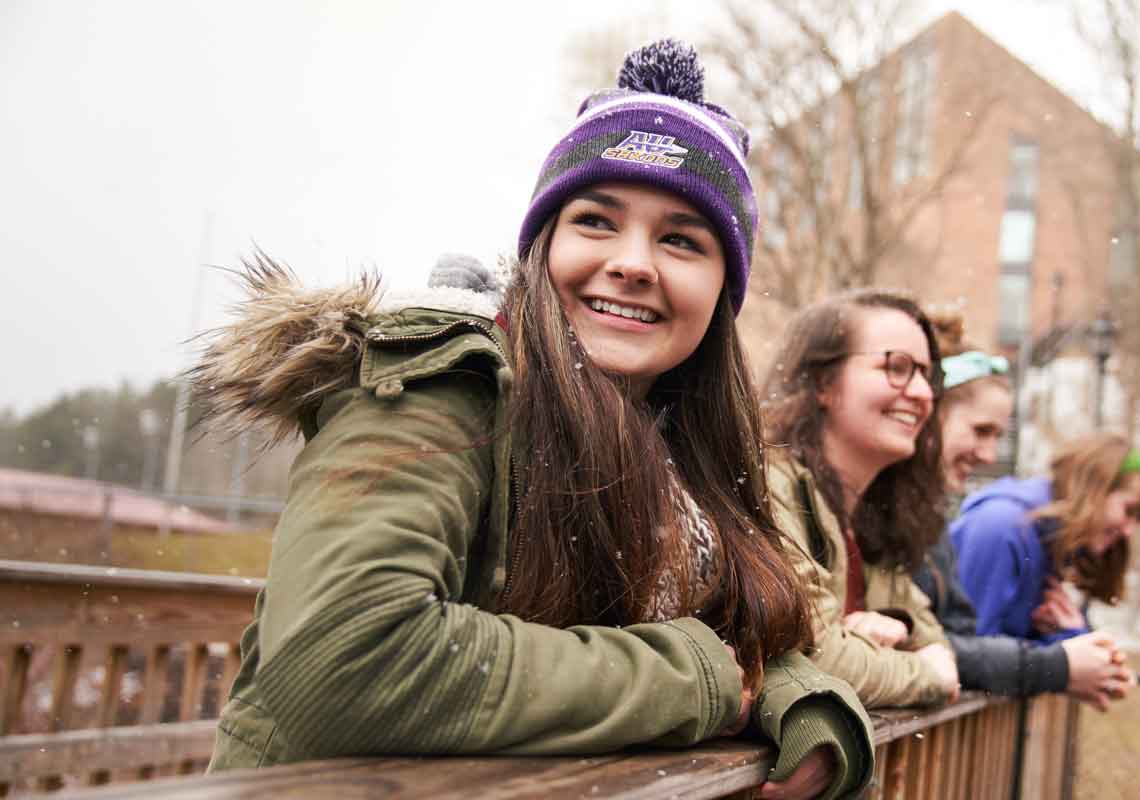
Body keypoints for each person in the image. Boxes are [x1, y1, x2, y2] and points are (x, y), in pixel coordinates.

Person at [191, 40, 872, 800]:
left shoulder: (686, 461)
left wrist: (810, 707)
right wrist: (697, 683)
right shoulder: (444, 386)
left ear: (722, 290)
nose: (635, 262)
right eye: (596, 221)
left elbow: (741, 642)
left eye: (681, 239)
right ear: (543, 249)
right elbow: (341, 663)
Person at [761, 290, 961, 709]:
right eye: (898, 367)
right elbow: (809, 656)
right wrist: (921, 675)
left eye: (927, 375)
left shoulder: (878, 517)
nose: (923, 393)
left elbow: (936, 643)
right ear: (823, 383)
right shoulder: (769, 486)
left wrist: (888, 631)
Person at [911, 347, 1136, 709]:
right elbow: (958, 651)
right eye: (981, 430)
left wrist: (1071, 641)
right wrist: (1058, 665)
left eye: (997, 435)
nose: (988, 454)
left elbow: (969, 646)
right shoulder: (1000, 526)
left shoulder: (930, 516)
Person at [949, 432, 1140, 662]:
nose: (1129, 531)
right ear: (1093, 490)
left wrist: (1070, 636)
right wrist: (1065, 655)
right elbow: (968, 652)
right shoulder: (1002, 528)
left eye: (1139, 519)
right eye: (1129, 510)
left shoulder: (1058, 545)